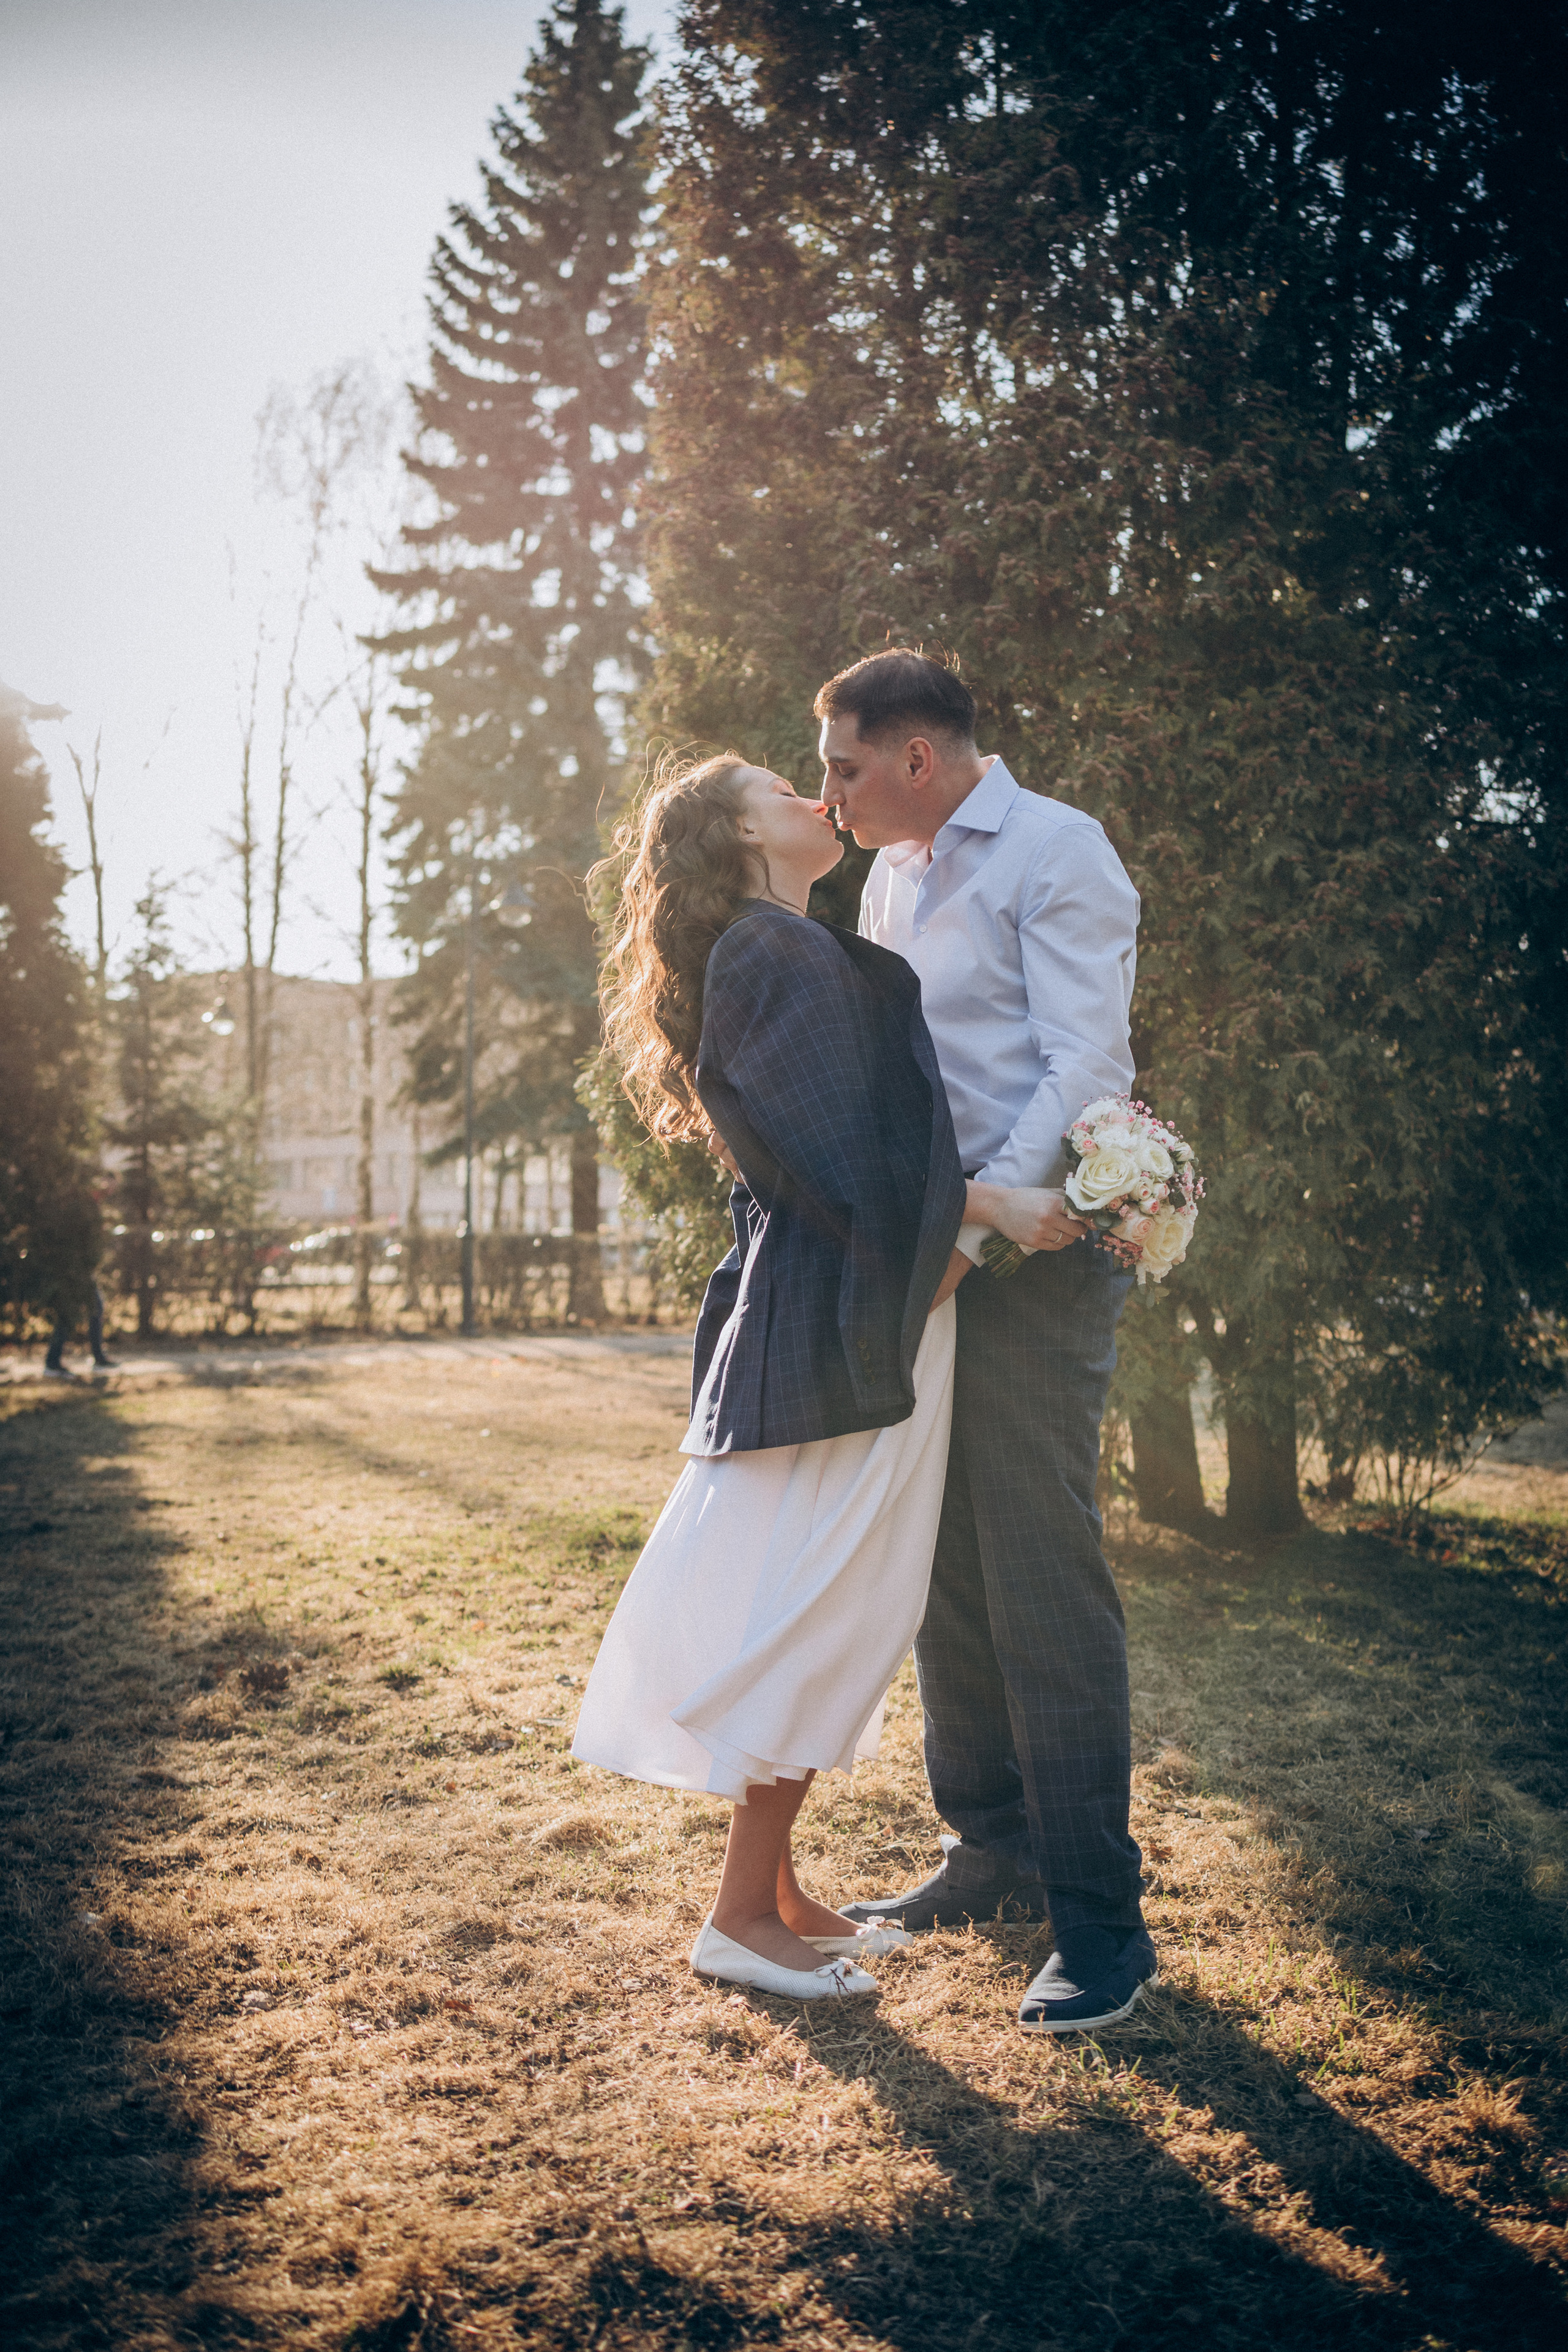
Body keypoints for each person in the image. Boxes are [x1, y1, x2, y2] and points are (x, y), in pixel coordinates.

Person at [571, 753, 968, 2002]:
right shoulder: (768, 952)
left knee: (828, 1599)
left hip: (846, 1313)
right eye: (779, 787)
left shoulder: (783, 946)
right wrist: (970, 1233)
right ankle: (739, 1918)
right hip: (844, 1323)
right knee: (813, 1608)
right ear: (737, 834)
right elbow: (842, 1168)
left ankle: (780, 1891)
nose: (816, 795)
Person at [818, 649, 1159, 2035]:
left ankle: (1099, 1921)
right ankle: (989, 1845)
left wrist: (972, 1240)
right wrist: (923, 1235)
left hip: (1033, 1260)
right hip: (941, 1251)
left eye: (843, 767)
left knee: (1037, 1571)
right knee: (943, 1559)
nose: (826, 794)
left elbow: (1083, 1067)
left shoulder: (1055, 850)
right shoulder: (892, 875)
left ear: (915, 759)